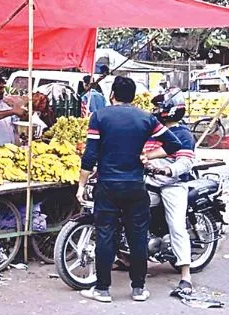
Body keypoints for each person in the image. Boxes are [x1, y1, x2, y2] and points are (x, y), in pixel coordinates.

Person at [77, 76, 183, 303]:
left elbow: (90, 155)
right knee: (137, 237)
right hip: (135, 186)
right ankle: (138, 289)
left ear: (112, 94)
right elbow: (174, 145)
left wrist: (81, 185)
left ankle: (102, 289)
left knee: (105, 235)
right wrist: (148, 156)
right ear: (133, 96)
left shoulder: (100, 116)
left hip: (108, 186)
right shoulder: (146, 118)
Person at [145, 90, 196, 297]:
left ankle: (186, 276)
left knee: (176, 225)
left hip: (173, 184)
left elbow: (185, 162)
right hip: (149, 183)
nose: (157, 110)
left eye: (160, 107)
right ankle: (126, 257)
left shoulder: (183, 134)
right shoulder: (153, 132)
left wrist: (167, 170)